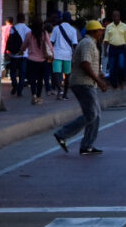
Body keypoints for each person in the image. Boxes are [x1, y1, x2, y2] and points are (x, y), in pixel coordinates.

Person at [53, 20, 109, 155]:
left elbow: (88, 63)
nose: (102, 32)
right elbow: (85, 63)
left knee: (95, 115)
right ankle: (63, 134)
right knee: (91, 114)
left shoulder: (91, 43)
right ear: (94, 32)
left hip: (87, 83)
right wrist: (99, 81)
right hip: (83, 83)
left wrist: (98, 74)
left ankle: (87, 145)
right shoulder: (88, 44)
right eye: (100, 30)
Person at [20, 16, 53, 105]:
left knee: (32, 79)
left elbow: (23, 46)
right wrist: (52, 55)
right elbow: (49, 46)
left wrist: (21, 51)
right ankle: (38, 97)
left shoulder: (29, 34)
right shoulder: (44, 33)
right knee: (40, 79)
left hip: (31, 60)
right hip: (42, 61)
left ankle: (33, 95)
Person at [51, 12, 78, 100]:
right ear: (70, 19)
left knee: (56, 73)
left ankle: (59, 90)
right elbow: (75, 44)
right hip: (67, 55)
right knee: (67, 75)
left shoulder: (56, 29)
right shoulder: (73, 30)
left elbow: (51, 42)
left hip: (57, 54)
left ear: (62, 18)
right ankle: (65, 94)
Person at [103, 10, 126, 89]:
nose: (116, 17)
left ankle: (121, 81)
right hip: (112, 48)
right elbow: (106, 40)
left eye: (117, 16)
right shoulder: (109, 27)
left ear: (119, 17)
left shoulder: (125, 26)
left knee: (121, 66)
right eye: (114, 16)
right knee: (112, 67)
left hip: (121, 48)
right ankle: (114, 84)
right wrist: (105, 50)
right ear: (112, 17)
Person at [7, 13, 30, 97]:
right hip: (24, 54)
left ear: (17, 19)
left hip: (14, 54)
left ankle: (14, 85)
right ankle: (20, 90)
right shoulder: (27, 29)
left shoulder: (13, 28)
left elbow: (9, 40)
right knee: (22, 73)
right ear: (24, 19)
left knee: (12, 72)